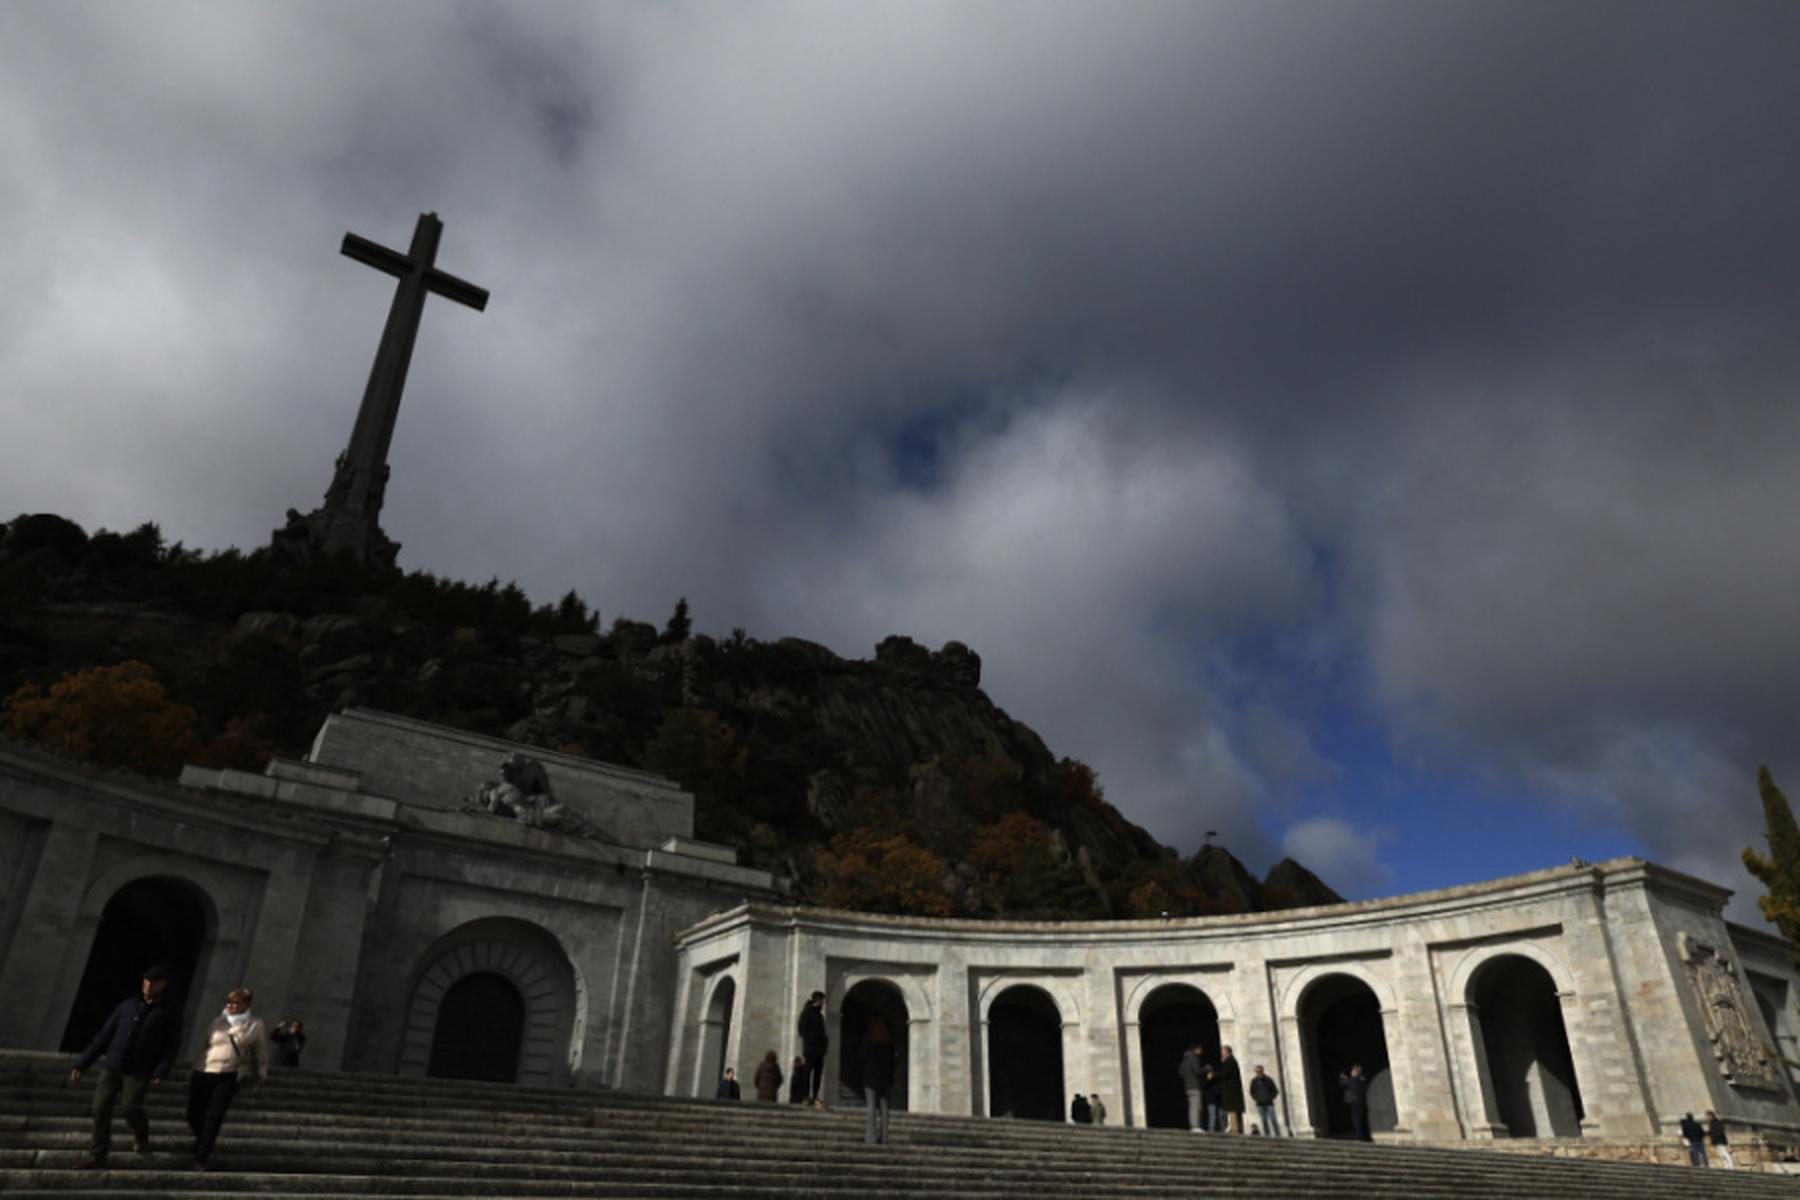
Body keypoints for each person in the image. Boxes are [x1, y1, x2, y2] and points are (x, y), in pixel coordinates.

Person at [68, 964, 184, 1169]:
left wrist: (161, 1069)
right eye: (146, 981)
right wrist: (82, 1063)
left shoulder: (168, 1012)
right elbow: (105, 1036)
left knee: (130, 1108)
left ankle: (141, 1131)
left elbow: (170, 1045)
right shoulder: (128, 1006)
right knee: (100, 1108)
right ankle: (97, 1155)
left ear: (163, 985)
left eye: (154, 983)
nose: (148, 986)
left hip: (139, 1069)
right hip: (113, 1064)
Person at [188, 986, 269, 1170]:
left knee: (215, 1116)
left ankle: (202, 1156)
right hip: (204, 1070)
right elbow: (205, 1044)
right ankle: (202, 1140)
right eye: (229, 1002)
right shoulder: (218, 1021)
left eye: (235, 1002)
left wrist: (262, 1071)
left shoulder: (255, 1024)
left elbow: (260, 1050)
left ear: (246, 1004)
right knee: (193, 1114)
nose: (230, 1006)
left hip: (229, 1073)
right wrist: (193, 1067)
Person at [859, 1016, 896, 1144]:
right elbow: (893, 1060)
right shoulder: (888, 1042)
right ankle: (885, 1137)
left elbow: (862, 1056)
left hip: (871, 1078)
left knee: (871, 1108)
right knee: (884, 1109)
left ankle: (870, 1137)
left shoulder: (869, 1040)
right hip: (885, 1079)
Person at [798, 990, 829, 1107]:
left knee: (817, 1074)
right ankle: (805, 1096)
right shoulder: (807, 1012)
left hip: (819, 1050)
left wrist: (825, 1044)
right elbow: (801, 1029)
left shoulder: (820, 1015)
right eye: (822, 1001)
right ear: (818, 1000)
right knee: (808, 1072)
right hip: (810, 1049)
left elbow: (822, 1032)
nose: (823, 1003)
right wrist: (810, 1041)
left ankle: (815, 1096)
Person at [1178, 1043, 1207, 1132]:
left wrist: (1187, 1078)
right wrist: (1206, 1069)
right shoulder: (1194, 1059)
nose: (1201, 1052)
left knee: (1192, 1106)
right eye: (1200, 1049)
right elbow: (1198, 1071)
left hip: (1187, 1086)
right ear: (1195, 1049)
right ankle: (1195, 1126)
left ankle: (1193, 1125)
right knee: (1196, 1106)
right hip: (1195, 1085)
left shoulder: (1185, 1060)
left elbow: (1181, 1072)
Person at [1340, 1065, 1372, 1142]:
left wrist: (1344, 1078)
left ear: (1355, 1072)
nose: (1351, 1072)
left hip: (1355, 1103)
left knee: (1357, 1121)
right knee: (1363, 1121)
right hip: (1361, 1103)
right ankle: (1366, 1137)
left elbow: (1345, 1083)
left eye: (1353, 1071)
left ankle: (1360, 1137)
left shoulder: (1354, 1080)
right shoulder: (1361, 1080)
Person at [1217, 1045, 1244, 1134]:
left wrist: (1215, 1074)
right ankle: (1236, 1128)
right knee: (1234, 1110)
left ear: (1227, 1052)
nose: (1221, 1053)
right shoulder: (1231, 1061)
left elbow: (1225, 1073)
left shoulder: (1229, 1061)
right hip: (1233, 1091)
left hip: (1232, 1091)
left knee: (1232, 1110)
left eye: (1222, 1051)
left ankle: (1234, 1128)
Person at [1249, 1064, 1282, 1137]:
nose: (1259, 1073)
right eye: (1257, 1072)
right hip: (1260, 1104)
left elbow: (1275, 1091)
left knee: (1273, 1120)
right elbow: (1252, 1092)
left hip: (1269, 1103)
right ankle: (1267, 1135)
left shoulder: (1268, 1080)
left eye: (1260, 1071)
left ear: (1263, 1071)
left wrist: (1270, 1098)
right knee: (1264, 1121)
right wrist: (1257, 1098)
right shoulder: (1254, 1081)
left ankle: (1278, 1134)